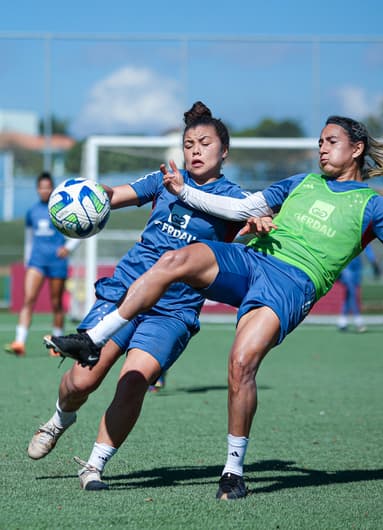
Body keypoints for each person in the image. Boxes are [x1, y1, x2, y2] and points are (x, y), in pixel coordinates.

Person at [49, 115, 383, 500]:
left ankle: (233, 471)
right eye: (320, 143)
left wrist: (192, 194)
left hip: (293, 285)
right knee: (175, 261)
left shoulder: (375, 207)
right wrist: (185, 191)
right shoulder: (301, 182)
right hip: (251, 261)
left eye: (330, 142)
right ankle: (93, 336)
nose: (322, 149)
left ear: (356, 149)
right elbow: (239, 209)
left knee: (241, 364)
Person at [28, 101, 249, 490]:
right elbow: (113, 196)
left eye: (204, 143)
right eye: (189, 143)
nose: (195, 150)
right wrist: (82, 196)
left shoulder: (235, 201)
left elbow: (249, 230)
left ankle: (93, 466)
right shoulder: (165, 178)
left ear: (224, 150)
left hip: (173, 309)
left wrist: (259, 224)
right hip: (124, 291)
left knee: (134, 380)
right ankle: (59, 419)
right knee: (82, 382)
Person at [4, 172, 79, 357]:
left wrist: (68, 247)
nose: (44, 190)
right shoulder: (32, 212)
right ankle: (19, 342)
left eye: (47, 186)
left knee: (56, 304)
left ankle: (58, 345)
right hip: (37, 261)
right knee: (28, 299)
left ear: (52, 188)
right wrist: (28, 259)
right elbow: (29, 238)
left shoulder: (61, 209)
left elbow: (78, 229)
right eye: (41, 187)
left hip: (57, 262)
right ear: (37, 189)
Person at [337, 245, 380, 332]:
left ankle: (342, 321)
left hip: (357, 268)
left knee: (349, 294)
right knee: (352, 292)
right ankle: (358, 321)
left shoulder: (361, 234)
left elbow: (367, 248)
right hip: (346, 267)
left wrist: (374, 262)